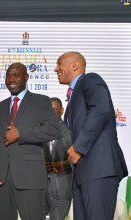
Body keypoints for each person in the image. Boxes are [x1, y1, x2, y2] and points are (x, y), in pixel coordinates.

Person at [54, 51, 128, 220]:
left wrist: (79, 147)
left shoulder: (90, 80)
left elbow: (101, 109)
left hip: (98, 169)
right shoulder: (72, 97)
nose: (55, 69)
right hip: (83, 173)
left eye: (59, 64)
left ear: (75, 65)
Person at [0, 62, 61, 220]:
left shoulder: (41, 101)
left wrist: (21, 134)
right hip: (1, 179)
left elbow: (54, 130)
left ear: (26, 77)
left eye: (16, 75)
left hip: (30, 178)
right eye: (8, 75)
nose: (11, 79)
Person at [43, 97, 72, 220]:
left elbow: (80, 158)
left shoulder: (71, 132)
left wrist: (65, 164)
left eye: (54, 110)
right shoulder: (37, 131)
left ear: (61, 111)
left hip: (61, 187)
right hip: (39, 187)